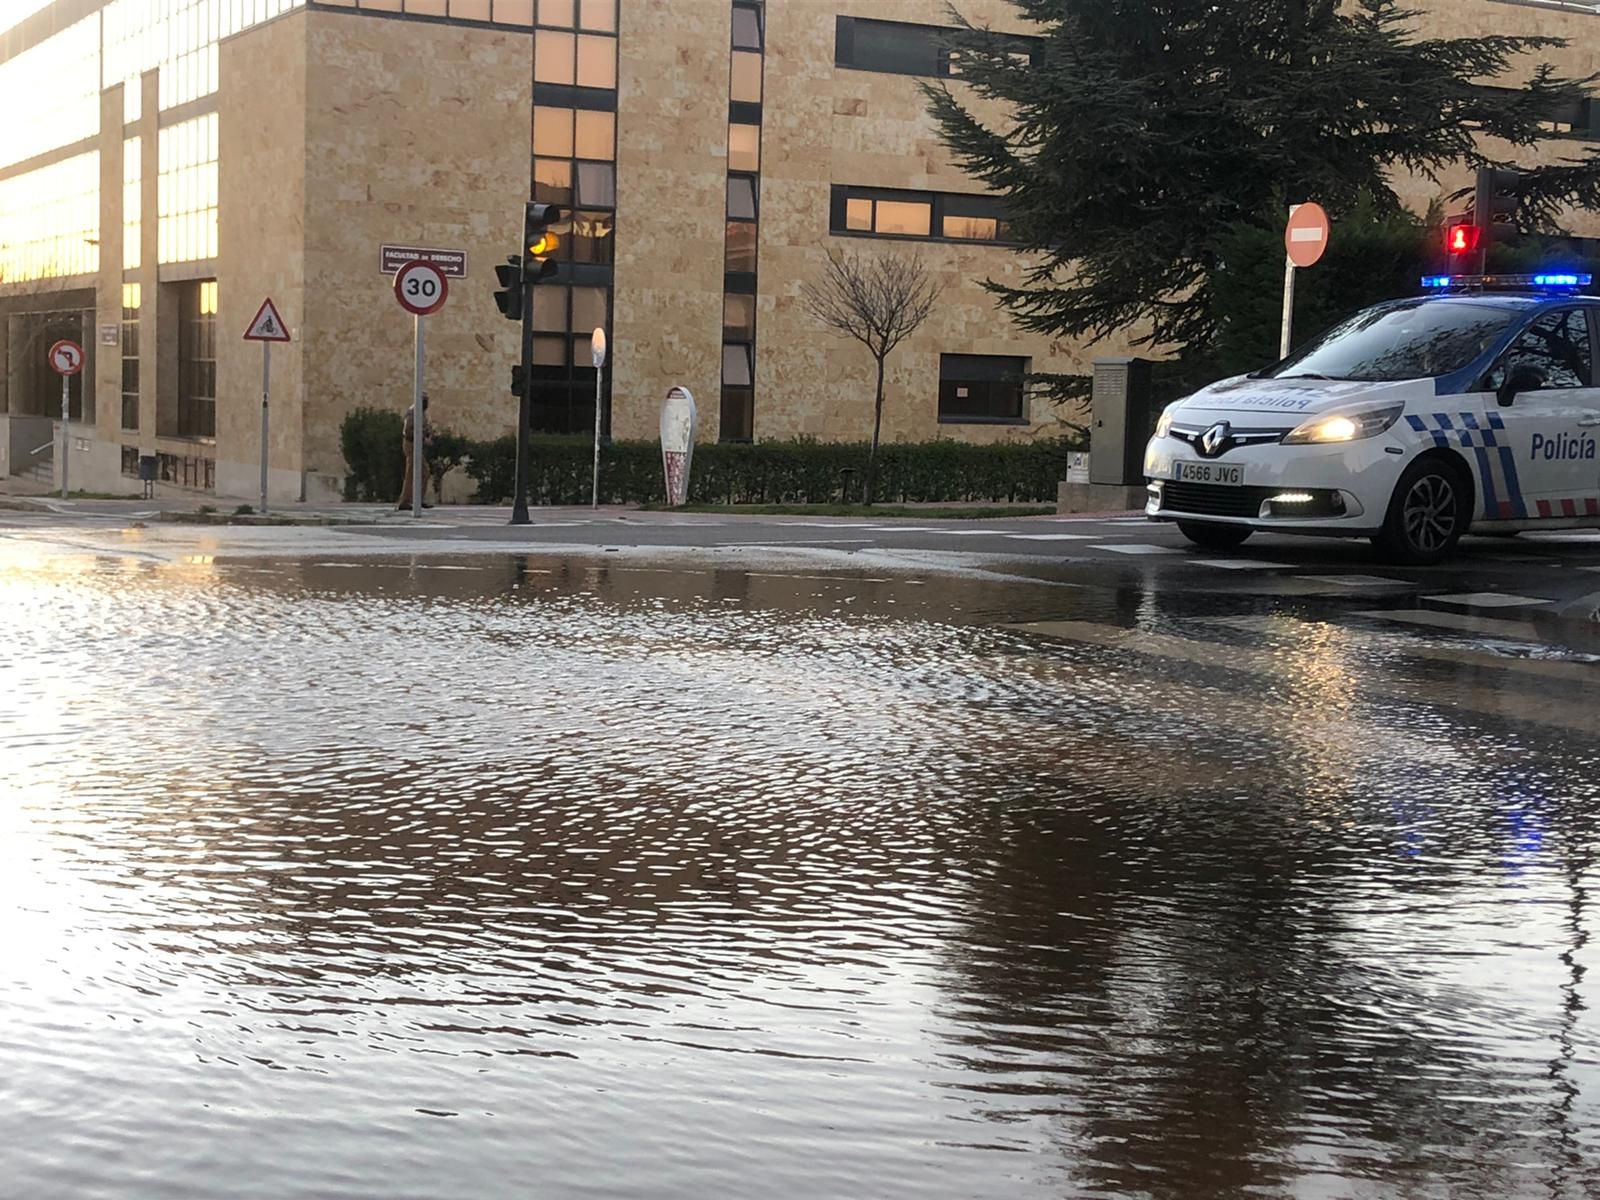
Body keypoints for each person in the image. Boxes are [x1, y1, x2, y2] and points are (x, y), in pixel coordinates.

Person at [396, 393, 435, 511]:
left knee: (424, 472)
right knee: (411, 473)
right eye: (424, 400)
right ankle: (405, 501)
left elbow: (424, 428)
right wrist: (423, 439)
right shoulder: (412, 413)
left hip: (417, 445)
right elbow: (408, 431)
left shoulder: (421, 413)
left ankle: (418, 499)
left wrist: (428, 434)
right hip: (411, 445)